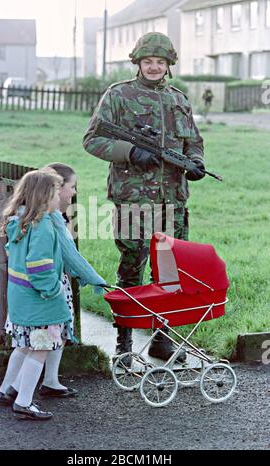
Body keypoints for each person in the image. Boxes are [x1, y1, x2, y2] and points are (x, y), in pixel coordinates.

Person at [83, 32, 205, 363]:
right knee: (131, 269)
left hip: (172, 200)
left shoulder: (179, 99)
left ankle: (162, 340)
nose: (154, 67)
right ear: (138, 63)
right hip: (132, 198)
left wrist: (196, 162)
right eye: (148, 61)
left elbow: (193, 140)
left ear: (169, 66)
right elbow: (92, 139)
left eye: (160, 62)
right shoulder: (119, 95)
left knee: (169, 272)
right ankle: (124, 343)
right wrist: (132, 153)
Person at [0, 169, 106, 420]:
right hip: (41, 302)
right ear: (46, 196)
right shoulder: (44, 225)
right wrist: (55, 290)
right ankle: (23, 402)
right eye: (58, 191)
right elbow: (40, 267)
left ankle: (16, 395)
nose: (62, 196)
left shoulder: (19, 221)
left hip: (21, 299)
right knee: (41, 349)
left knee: (28, 346)